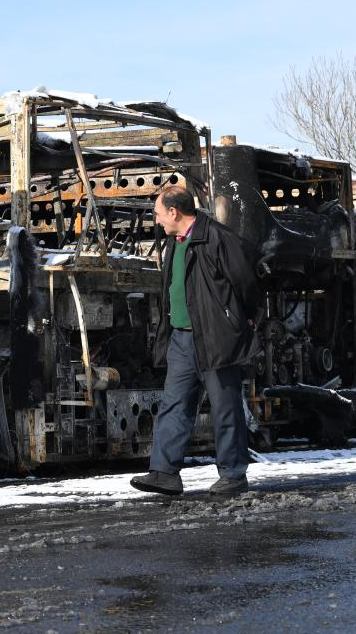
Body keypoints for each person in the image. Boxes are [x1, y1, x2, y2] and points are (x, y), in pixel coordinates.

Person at [130, 184, 259, 497]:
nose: (157, 220)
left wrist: (242, 320)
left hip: (216, 336)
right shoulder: (175, 242)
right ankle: (164, 473)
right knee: (174, 404)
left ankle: (233, 474)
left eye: (159, 214)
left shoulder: (217, 237)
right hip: (182, 338)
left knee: (225, 407)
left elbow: (247, 282)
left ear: (174, 212)